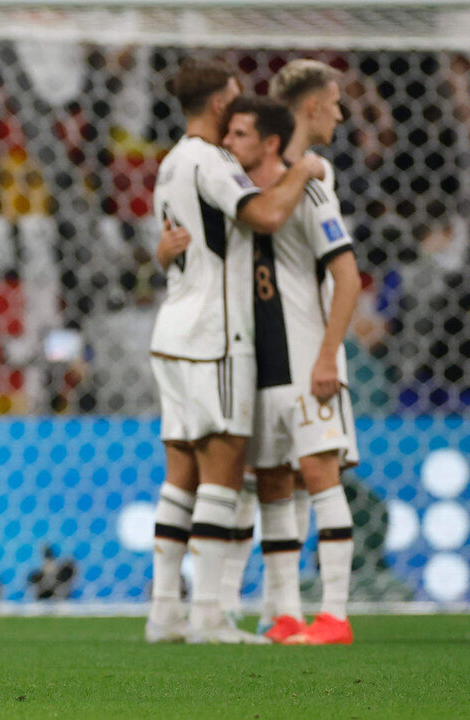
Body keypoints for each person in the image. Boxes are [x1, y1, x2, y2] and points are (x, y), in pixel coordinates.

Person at [145, 58, 326, 645]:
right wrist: (307, 170)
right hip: (216, 338)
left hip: (172, 331)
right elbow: (269, 214)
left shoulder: (170, 162)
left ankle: (164, 612)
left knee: (180, 478)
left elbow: (182, 243)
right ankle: (209, 617)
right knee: (222, 474)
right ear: (221, 103)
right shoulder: (212, 161)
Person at [259, 61, 360, 645]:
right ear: (312, 108)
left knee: (317, 479)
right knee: (279, 483)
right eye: (336, 102)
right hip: (272, 354)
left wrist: (328, 356)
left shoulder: (313, 183)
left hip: (311, 351)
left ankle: (336, 616)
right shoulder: (270, 182)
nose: (342, 114)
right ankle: (288, 613)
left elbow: (347, 277)